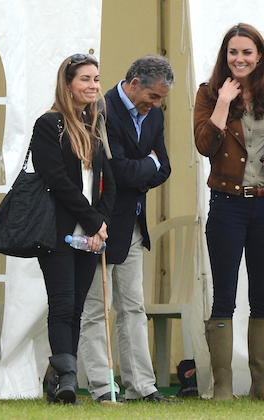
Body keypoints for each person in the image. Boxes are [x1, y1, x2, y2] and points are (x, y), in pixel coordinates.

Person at [193, 23, 264, 401]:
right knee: (225, 294)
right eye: (233, 53)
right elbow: (204, 145)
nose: (239, 59)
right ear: (225, 56)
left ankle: (262, 385)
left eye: (247, 53)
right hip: (227, 205)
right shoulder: (208, 93)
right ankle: (222, 386)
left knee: (263, 294)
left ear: (259, 57)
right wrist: (222, 102)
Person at [78, 55, 173, 403]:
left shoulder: (155, 114)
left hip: (133, 223)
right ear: (134, 85)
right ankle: (103, 387)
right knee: (95, 308)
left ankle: (142, 387)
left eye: (161, 99)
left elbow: (166, 169)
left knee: (133, 307)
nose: (158, 105)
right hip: (98, 224)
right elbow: (115, 171)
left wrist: (142, 168)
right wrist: (147, 163)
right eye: (154, 97)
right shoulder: (101, 110)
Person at [31, 53, 116, 404]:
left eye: (96, 79)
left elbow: (108, 181)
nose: (94, 86)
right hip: (57, 231)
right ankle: (67, 379)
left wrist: (101, 224)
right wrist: (94, 219)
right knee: (63, 305)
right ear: (68, 85)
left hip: (88, 234)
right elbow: (59, 182)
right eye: (85, 79)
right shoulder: (49, 126)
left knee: (77, 308)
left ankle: (59, 377)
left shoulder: (94, 126)